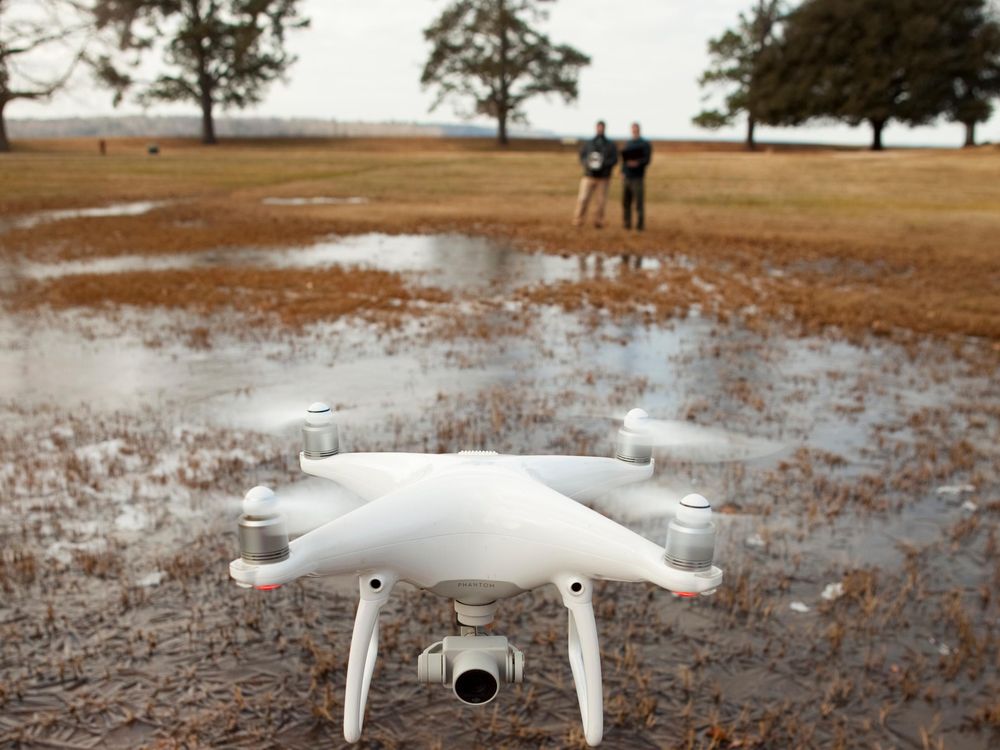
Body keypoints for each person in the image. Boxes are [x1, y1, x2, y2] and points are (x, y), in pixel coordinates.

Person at [573, 120, 618, 228]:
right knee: (583, 199)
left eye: (601, 127)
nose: (600, 129)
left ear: (604, 128)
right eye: (598, 127)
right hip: (588, 176)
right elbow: (582, 156)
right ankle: (578, 220)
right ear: (596, 128)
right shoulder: (589, 143)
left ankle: (598, 222)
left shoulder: (610, 145)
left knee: (600, 202)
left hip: (603, 177)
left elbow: (615, 159)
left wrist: (603, 164)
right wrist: (587, 164)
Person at [620, 122, 652, 231]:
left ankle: (640, 226)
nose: (634, 130)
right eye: (632, 129)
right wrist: (622, 172)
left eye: (636, 128)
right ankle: (627, 224)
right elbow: (624, 160)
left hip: (638, 177)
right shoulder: (628, 143)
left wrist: (637, 163)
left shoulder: (644, 144)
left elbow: (647, 160)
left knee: (638, 203)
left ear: (639, 129)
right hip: (627, 177)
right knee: (626, 202)